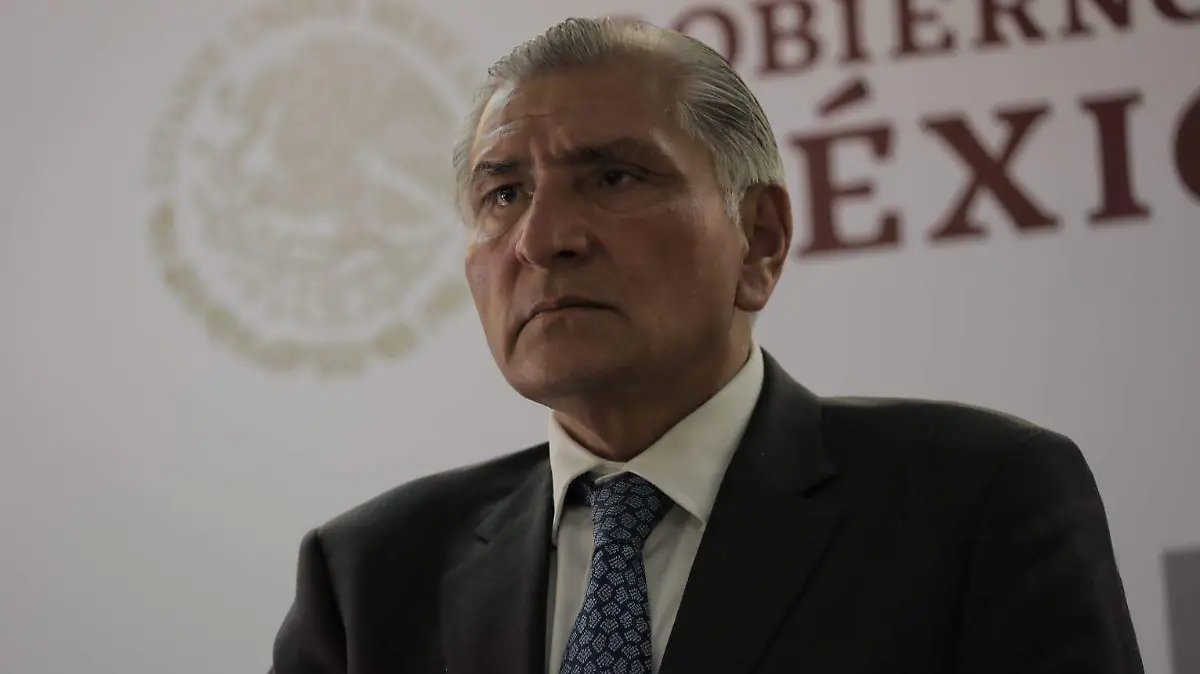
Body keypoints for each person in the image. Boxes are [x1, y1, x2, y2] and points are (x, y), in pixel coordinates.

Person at [269, 17, 1143, 674]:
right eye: (503, 195)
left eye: (613, 176)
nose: (542, 239)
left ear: (758, 239)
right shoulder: (369, 578)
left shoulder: (974, 501)